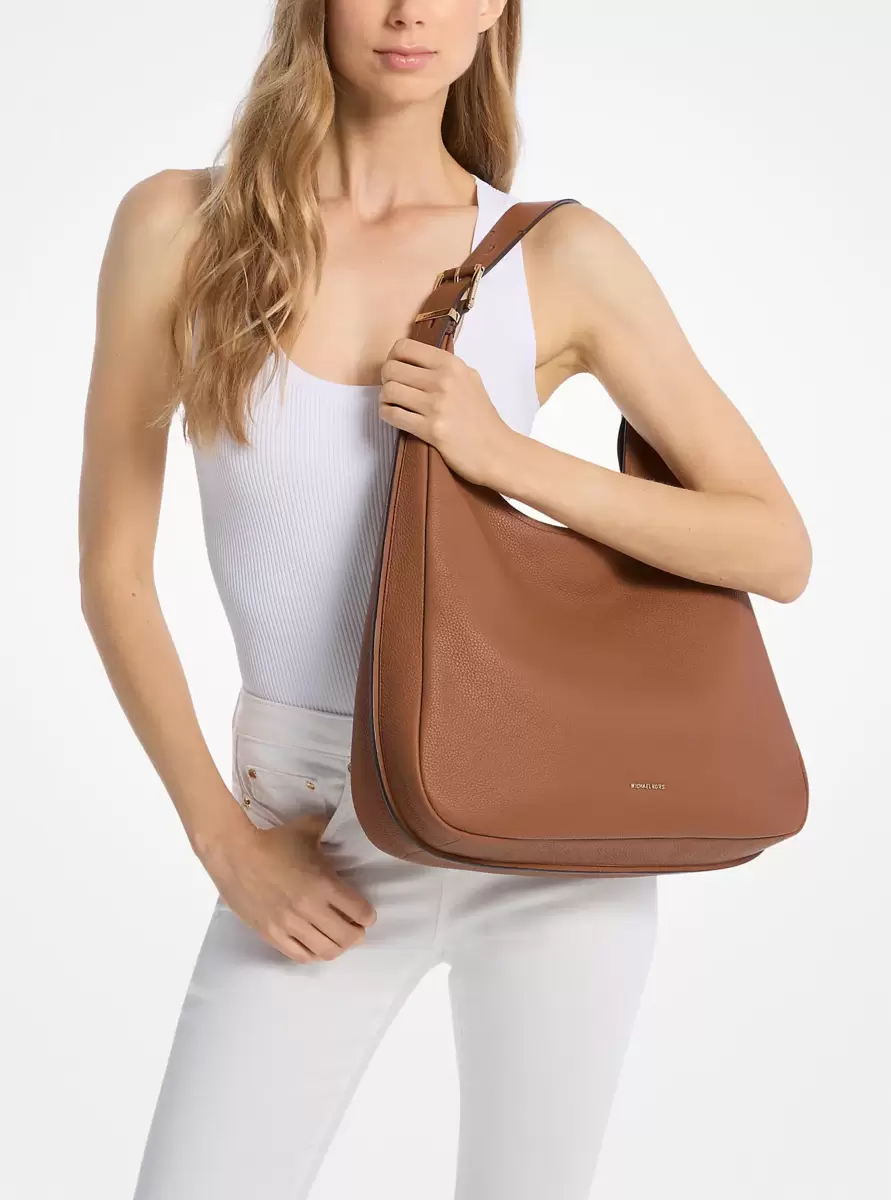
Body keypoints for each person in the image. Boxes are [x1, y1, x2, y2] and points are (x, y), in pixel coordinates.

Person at [78, 1, 812, 1197]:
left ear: (493, 9)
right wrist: (224, 842)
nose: (410, 9)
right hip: (308, 830)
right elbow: (113, 569)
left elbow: (775, 547)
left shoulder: (553, 256)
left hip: (550, 833)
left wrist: (506, 456)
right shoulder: (180, 228)